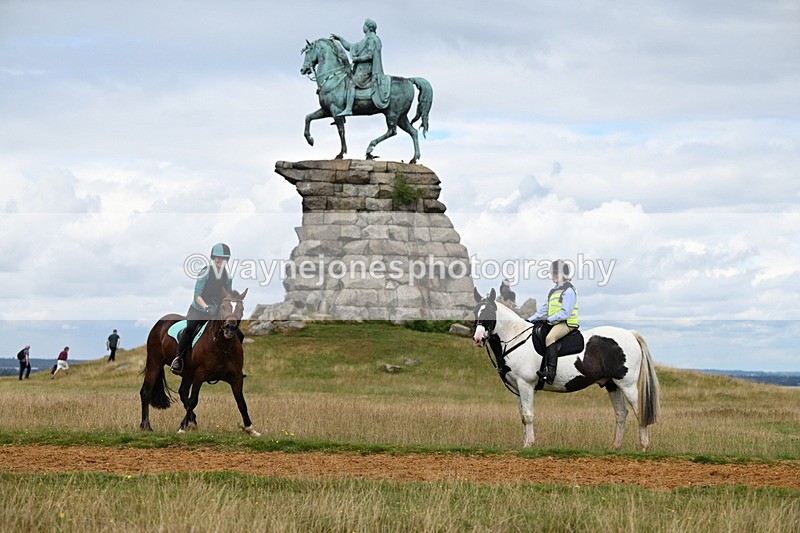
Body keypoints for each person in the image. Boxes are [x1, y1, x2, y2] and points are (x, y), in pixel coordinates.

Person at [170, 243, 234, 375]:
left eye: (223, 258)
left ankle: (233, 363)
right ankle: (178, 358)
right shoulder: (205, 272)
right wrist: (206, 308)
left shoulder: (227, 277)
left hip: (217, 312)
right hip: (199, 309)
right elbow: (197, 295)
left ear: (226, 260)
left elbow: (227, 296)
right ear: (213, 258)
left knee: (236, 332)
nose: (220, 260)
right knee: (190, 328)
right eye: (217, 257)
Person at [527, 260, 579, 384]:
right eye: (553, 273)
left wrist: (548, 320)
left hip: (567, 323)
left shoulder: (569, 290)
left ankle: (550, 373)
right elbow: (543, 311)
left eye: (556, 273)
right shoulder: (553, 291)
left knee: (550, 338)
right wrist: (529, 320)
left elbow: (565, 313)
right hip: (555, 323)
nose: (553, 276)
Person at [330, 18, 390, 116]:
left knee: (351, 83)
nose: (363, 27)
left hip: (367, 70)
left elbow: (370, 55)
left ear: (368, 27)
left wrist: (357, 59)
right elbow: (350, 47)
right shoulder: (365, 40)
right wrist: (340, 39)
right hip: (360, 69)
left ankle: (349, 109)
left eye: (364, 25)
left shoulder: (373, 39)